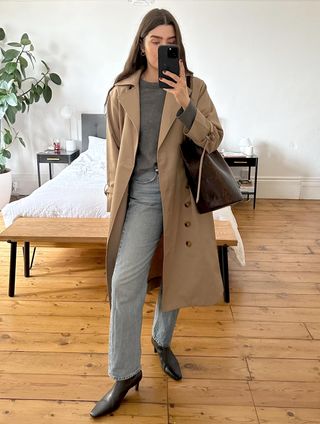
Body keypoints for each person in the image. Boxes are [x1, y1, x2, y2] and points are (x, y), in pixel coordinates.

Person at [90, 8, 224, 418]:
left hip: (182, 196)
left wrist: (185, 103)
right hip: (143, 198)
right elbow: (114, 155)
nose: (164, 48)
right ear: (141, 44)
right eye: (155, 41)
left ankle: (162, 341)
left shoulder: (193, 87)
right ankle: (125, 372)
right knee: (125, 281)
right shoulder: (121, 92)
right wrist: (115, 198)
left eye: (171, 42)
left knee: (177, 275)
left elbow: (214, 140)